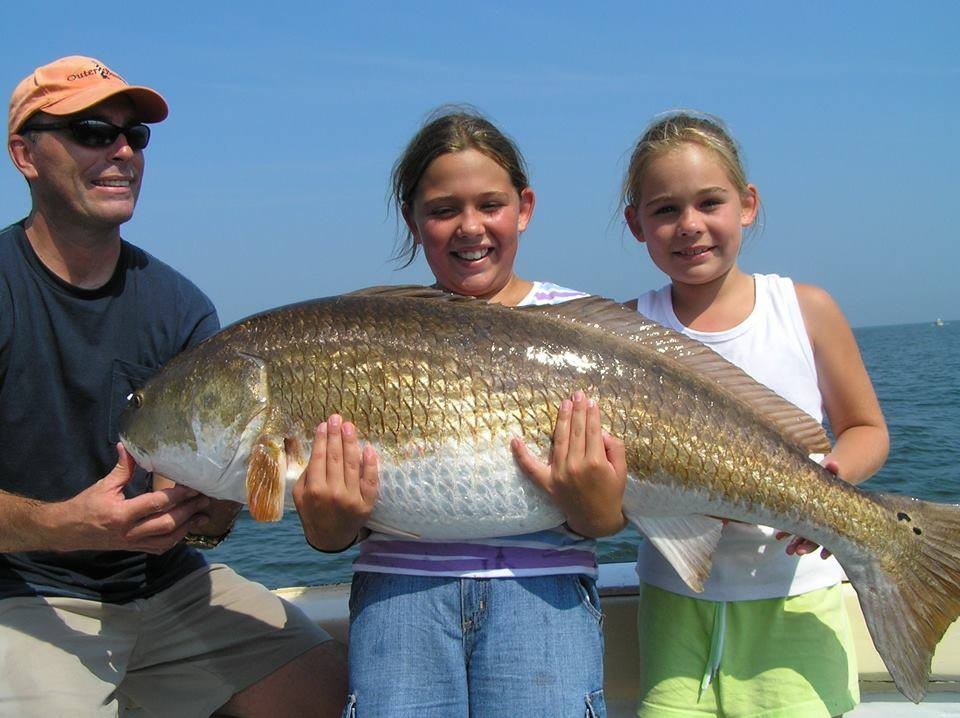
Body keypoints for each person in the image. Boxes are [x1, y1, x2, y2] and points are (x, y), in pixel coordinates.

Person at [0, 55, 350, 717]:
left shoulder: (179, 307)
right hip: (26, 596)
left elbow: (210, 521)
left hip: (166, 585)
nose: (123, 151)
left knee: (338, 695)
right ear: (25, 153)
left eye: (136, 135)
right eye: (93, 132)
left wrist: (205, 514)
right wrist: (63, 527)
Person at [294, 106, 628, 718]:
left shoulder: (586, 330)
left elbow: (603, 522)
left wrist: (592, 501)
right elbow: (331, 537)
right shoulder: (360, 332)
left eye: (490, 205)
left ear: (524, 207)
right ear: (413, 221)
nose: (469, 226)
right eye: (444, 210)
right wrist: (327, 521)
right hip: (399, 596)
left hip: (543, 591)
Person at [620, 111, 890, 717]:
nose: (690, 226)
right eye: (665, 210)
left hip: (796, 596)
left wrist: (833, 477)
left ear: (747, 204)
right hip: (675, 601)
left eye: (709, 203)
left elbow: (866, 429)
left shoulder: (805, 309)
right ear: (636, 224)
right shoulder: (624, 330)